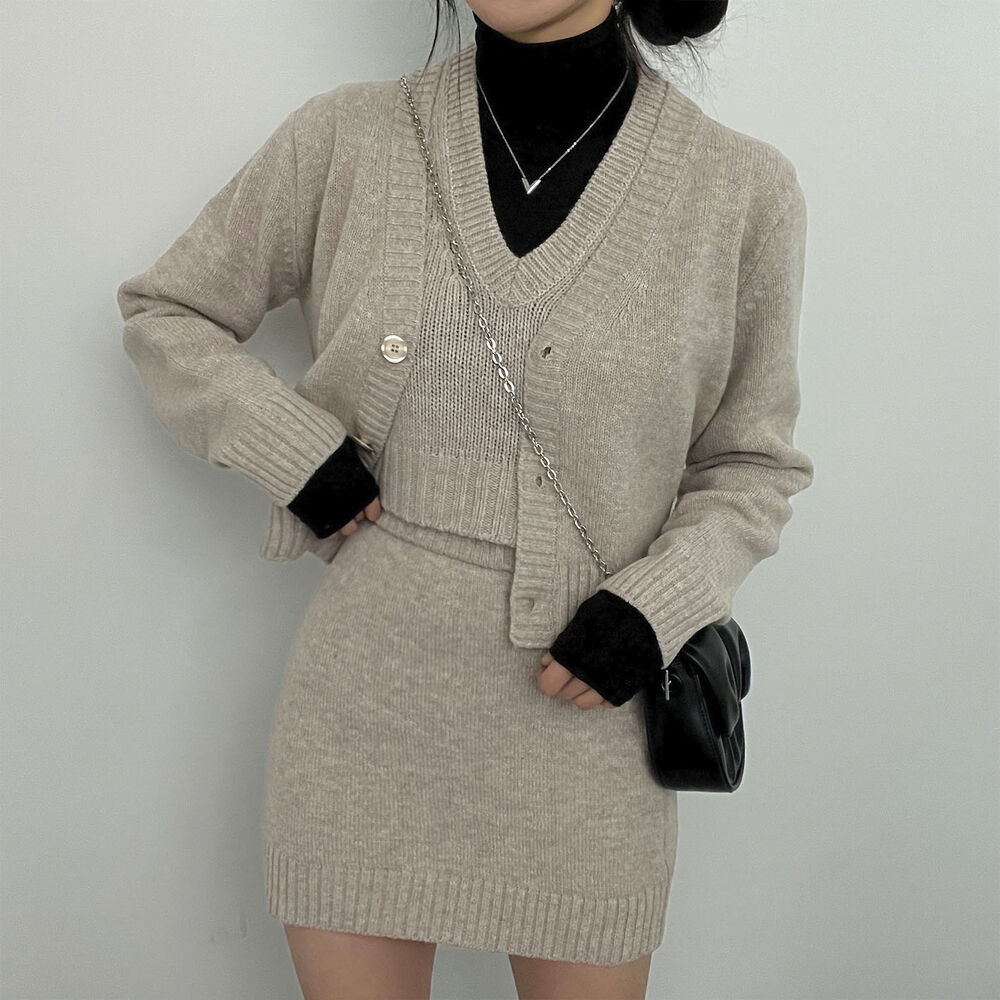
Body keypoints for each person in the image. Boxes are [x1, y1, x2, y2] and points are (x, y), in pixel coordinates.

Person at [116, 0, 814, 996]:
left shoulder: (740, 191)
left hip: (590, 720)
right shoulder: (347, 136)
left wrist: (658, 606)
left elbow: (751, 465)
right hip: (362, 719)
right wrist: (293, 450)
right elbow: (166, 311)